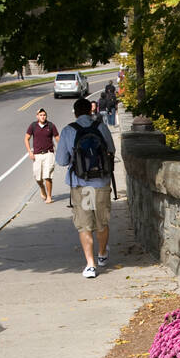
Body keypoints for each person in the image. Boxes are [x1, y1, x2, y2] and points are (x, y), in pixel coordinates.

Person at [54, 97, 115, 278]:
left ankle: (90, 265)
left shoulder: (68, 131)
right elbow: (111, 149)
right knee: (102, 222)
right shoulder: (101, 127)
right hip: (101, 183)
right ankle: (102, 254)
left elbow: (61, 160)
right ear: (91, 110)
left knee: (85, 225)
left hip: (81, 185)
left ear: (75, 112)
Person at [25, 107, 59, 204]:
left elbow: (57, 138)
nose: (43, 117)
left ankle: (49, 196)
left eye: (44, 115)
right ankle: (42, 188)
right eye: (41, 115)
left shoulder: (51, 126)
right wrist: (29, 152)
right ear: (37, 116)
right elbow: (26, 138)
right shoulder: (33, 126)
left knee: (47, 176)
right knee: (38, 178)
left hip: (49, 153)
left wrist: (61, 148)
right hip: (37, 155)